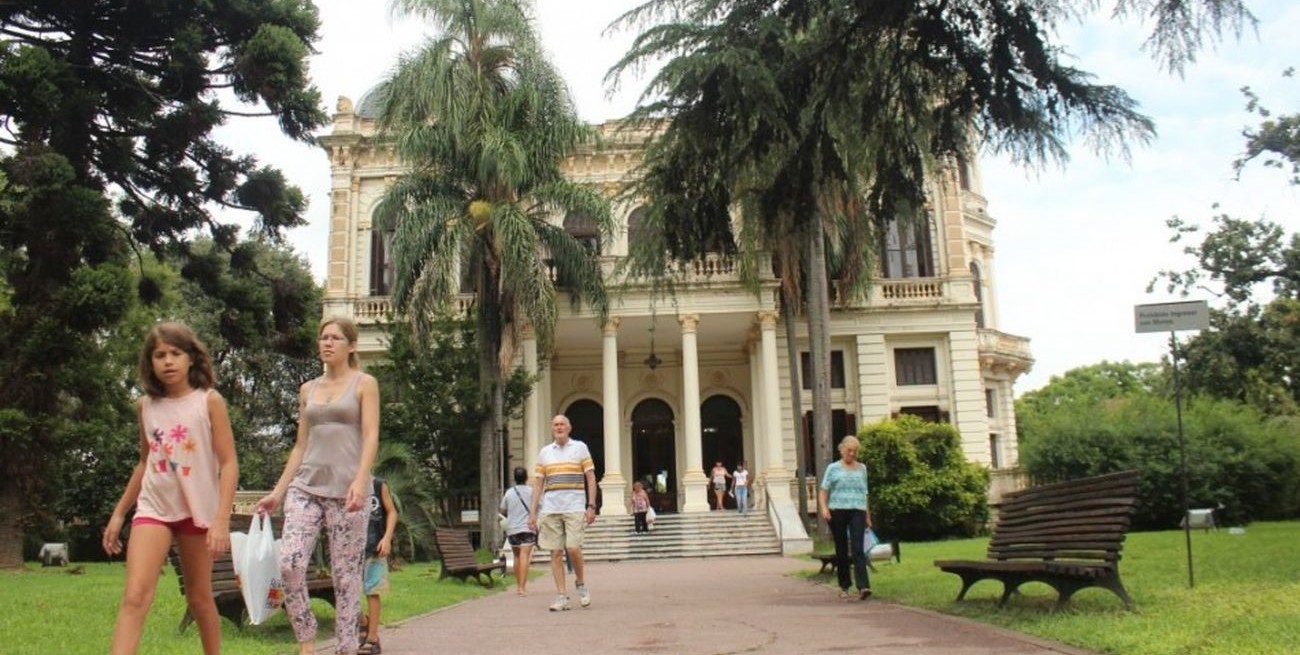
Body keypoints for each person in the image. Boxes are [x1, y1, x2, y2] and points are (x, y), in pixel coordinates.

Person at [103, 322, 238, 655]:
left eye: (175, 353)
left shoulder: (209, 401)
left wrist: (221, 520)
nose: (167, 361)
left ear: (191, 358)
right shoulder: (145, 407)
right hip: (153, 509)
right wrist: (120, 514)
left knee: (199, 598)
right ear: (150, 363)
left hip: (197, 511)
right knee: (135, 595)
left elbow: (229, 463)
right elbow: (144, 463)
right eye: (159, 355)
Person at [256, 317, 380, 655]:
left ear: (351, 346)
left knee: (346, 577)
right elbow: (300, 446)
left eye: (336, 338)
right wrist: (278, 492)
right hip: (305, 489)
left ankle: (346, 647)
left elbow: (370, 436)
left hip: (348, 494)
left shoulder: (364, 383)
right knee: (289, 563)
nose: (327, 343)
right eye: (323, 337)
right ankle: (307, 642)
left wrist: (360, 479)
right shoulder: (307, 390)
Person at [528, 415, 597, 612]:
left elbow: (590, 477)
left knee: (573, 547)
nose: (559, 427)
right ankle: (561, 595)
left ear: (569, 428)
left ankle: (581, 583)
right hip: (550, 508)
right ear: (552, 429)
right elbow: (538, 483)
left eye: (562, 424)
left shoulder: (580, 447)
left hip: (574, 506)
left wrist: (591, 506)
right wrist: (533, 512)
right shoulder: (545, 453)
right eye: (555, 425)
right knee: (555, 552)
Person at [818, 435, 872, 601]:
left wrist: (868, 515)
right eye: (849, 451)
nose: (852, 454)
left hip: (858, 509)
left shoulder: (862, 468)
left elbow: (865, 493)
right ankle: (844, 586)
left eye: (855, 451)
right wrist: (824, 508)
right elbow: (823, 490)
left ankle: (863, 586)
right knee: (841, 548)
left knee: (858, 547)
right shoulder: (833, 468)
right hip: (838, 509)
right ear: (842, 450)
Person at [358, 477, 397, 655]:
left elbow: (391, 512)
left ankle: (373, 637)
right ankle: (364, 623)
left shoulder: (378, 485)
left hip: (375, 547)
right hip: (349, 550)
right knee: (346, 593)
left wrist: (387, 538)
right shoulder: (342, 485)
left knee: (372, 590)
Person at [499, 466, 537, 595]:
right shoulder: (532, 491)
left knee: (516, 556)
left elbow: (502, 509)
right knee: (525, 556)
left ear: (514, 478)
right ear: (526, 478)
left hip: (512, 529)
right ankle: (522, 587)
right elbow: (540, 505)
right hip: (528, 527)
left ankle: (518, 585)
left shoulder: (509, 492)